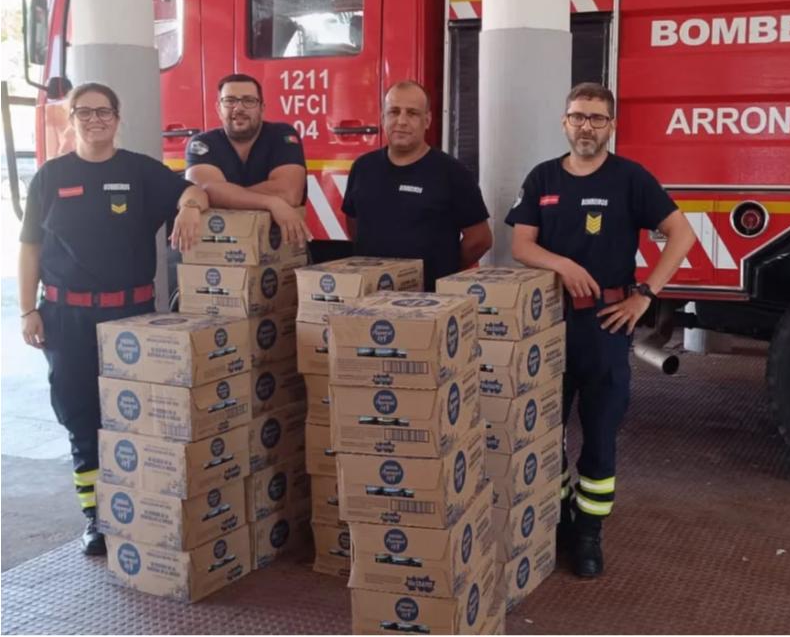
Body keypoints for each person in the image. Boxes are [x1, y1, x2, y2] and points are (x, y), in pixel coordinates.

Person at [505, 82, 697, 577]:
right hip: (548, 325)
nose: (585, 126)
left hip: (606, 327)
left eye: (596, 118)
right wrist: (563, 265)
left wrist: (645, 295)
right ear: (564, 122)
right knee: (544, 430)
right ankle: (560, 518)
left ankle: (589, 533)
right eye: (577, 116)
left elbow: (682, 234)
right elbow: (522, 245)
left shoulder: (630, 178)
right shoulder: (543, 177)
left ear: (611, 126)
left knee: (600, 435)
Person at [18, 82, 209, 556]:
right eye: (84, 112)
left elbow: (193, 190)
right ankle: (96, 517)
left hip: (131, 320)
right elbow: (30, 248)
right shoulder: (50, 176)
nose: (94, 120)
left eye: (103, 112)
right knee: (81, 417)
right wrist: (27, 309)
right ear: (71, 119)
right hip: (65, 318)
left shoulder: (140, 171)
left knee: (132, 418)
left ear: (117, 119)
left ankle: (138, 508)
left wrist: (189, 207)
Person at [341, 80, 492, 290]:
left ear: (427, 120)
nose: (401, 121)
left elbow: (480, 240)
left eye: (412, 113)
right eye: (394, 112)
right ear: (383, 118)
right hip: (370, 295)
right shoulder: (363, 167)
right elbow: (354, 224)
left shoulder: (453, 173)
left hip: (429, 300)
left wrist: (442, 271)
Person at [185, 73, 311, 244]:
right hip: (218, 249)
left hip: (279, 251)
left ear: (262, 108)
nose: (238, 108)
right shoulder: (202, 144)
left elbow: (289, 194)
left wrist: (225, 195)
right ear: (218, 108)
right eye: (230, 100)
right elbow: (203, 191)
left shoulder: (281, 135)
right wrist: (272, 202)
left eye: (249, 100)